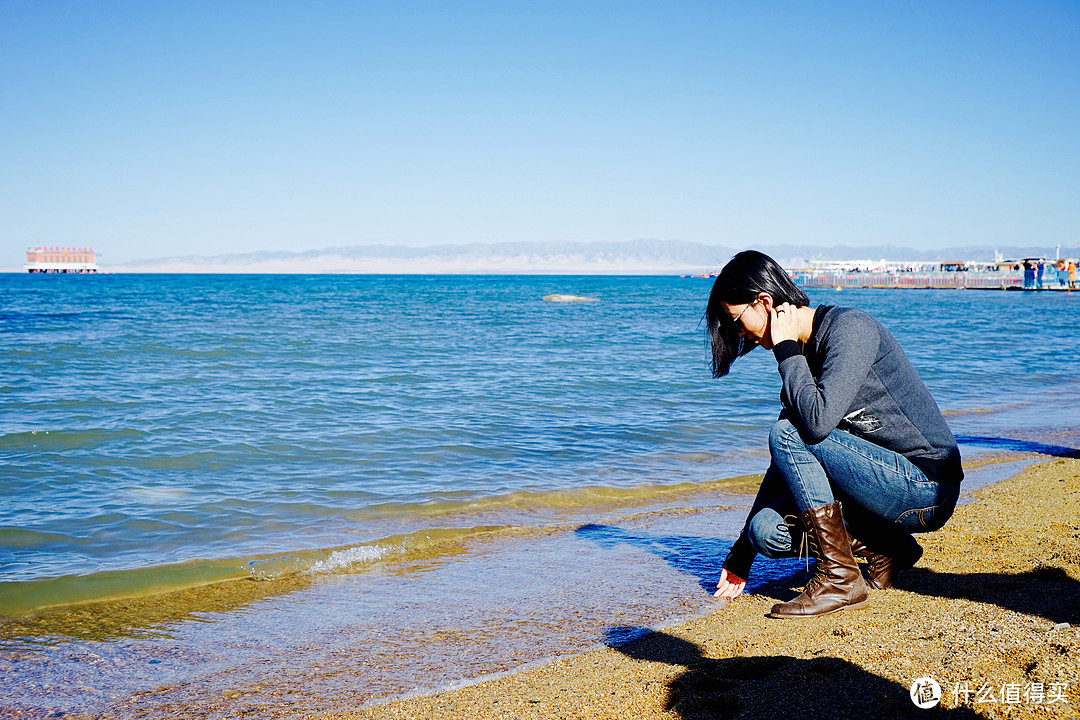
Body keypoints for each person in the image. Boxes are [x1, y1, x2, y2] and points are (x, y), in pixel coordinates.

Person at [704, 251, 963, 619]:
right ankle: (885, 548)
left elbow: (814, 426)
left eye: (736, 321)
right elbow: (785, 461)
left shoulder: (850, 329)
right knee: (765, 531)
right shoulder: (801, 359)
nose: (739, 333)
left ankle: (839, 578)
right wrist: (741, 553)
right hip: (873, 488)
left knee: (789, 430)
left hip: (925, 486)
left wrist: (785, 349)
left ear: (763, 301)